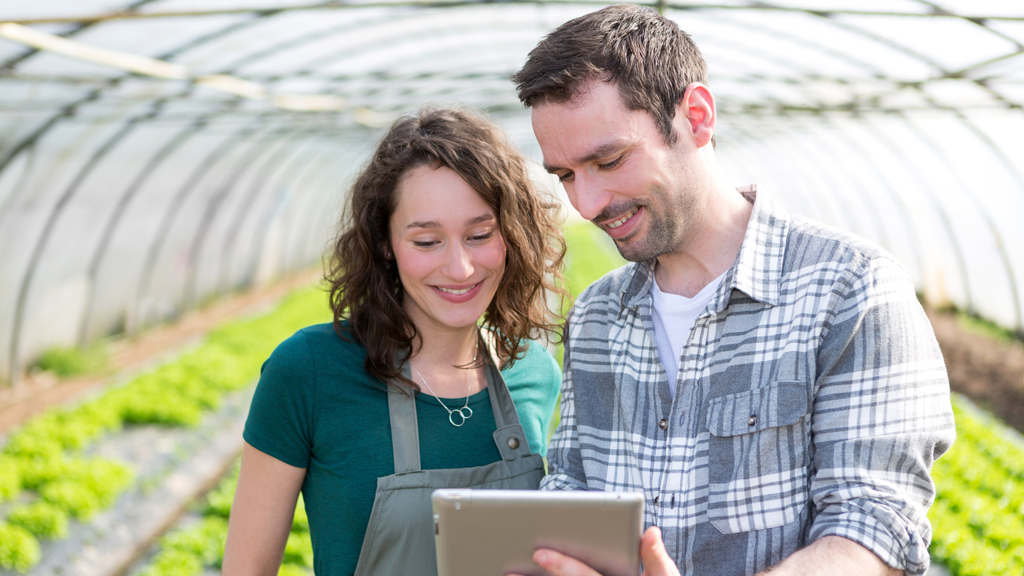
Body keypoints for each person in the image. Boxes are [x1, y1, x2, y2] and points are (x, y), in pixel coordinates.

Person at [510, 5, 956, 576]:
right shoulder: (598, 315)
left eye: (610, 159)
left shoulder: (851, 291)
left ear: (695, 117)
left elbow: (872, 530)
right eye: (566, 175)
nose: (588, 203)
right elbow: (573, 481)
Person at [221, 107, 567, 576]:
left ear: (512, 234)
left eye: (480, 234)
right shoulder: (309, 372)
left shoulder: (533, 371)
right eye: (427, 241)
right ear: (385, 244)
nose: (461, 268)